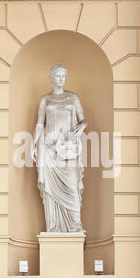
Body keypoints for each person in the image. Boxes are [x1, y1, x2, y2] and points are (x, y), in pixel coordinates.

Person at [31, 64, 87, 232]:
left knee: (72, 185)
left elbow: (83, 119)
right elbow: (40, 124)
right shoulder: (45, 100)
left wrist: (83, 125)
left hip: (68, 147)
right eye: (58, 75)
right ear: (51, 78)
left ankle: (75, 226)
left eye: (64, 76)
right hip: (48, 147)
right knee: (50, 191)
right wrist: (33, 145)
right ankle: (53, 227)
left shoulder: (73, 98)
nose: (61, 79)